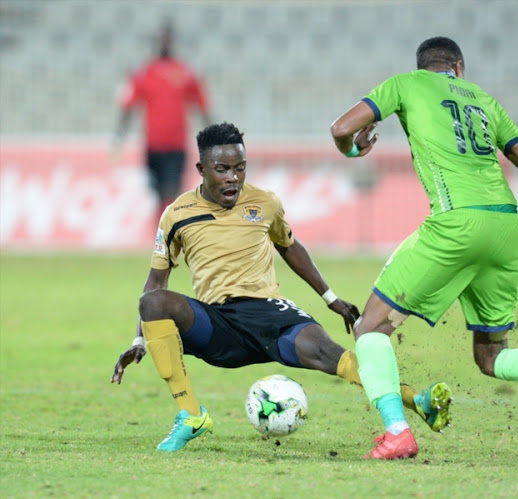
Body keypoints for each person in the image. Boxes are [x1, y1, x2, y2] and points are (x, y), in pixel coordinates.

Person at [329, 37, 518, 460]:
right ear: (458, 67)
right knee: (491, 356)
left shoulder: (405, 84)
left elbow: (341, 129)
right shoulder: (485, 100)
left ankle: (397, 432)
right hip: (506, 229)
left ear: (424, 67)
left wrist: (355, 149)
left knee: (369, 329)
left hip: (456, 223)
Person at [110, 122, 452, 452]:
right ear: (201, 168)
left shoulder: (265, 203)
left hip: (270, 315)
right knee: (155, 302)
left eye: (240, 168)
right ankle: (191, 416)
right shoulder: (177, 214)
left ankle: (418, 402)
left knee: (329, 354)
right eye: (222, 169)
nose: (233, 178)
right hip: (219, 323)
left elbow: (290, 247)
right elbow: (156, 280)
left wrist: (330, 297)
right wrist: (140, 338)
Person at [113, 21, 211, 217]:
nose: (164, 42)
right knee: (158, 194)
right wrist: (118, 137)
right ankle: (162, 237)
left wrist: (213, 140)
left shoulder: (185, 72)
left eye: (167, 38)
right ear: (155, 41)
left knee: (172, 192)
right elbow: (127, 106)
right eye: (161, 38)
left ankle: (170, 236)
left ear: (172, 41)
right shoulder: (143, 73)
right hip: (153, 145)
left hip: (176, 145)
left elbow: (202, 106)